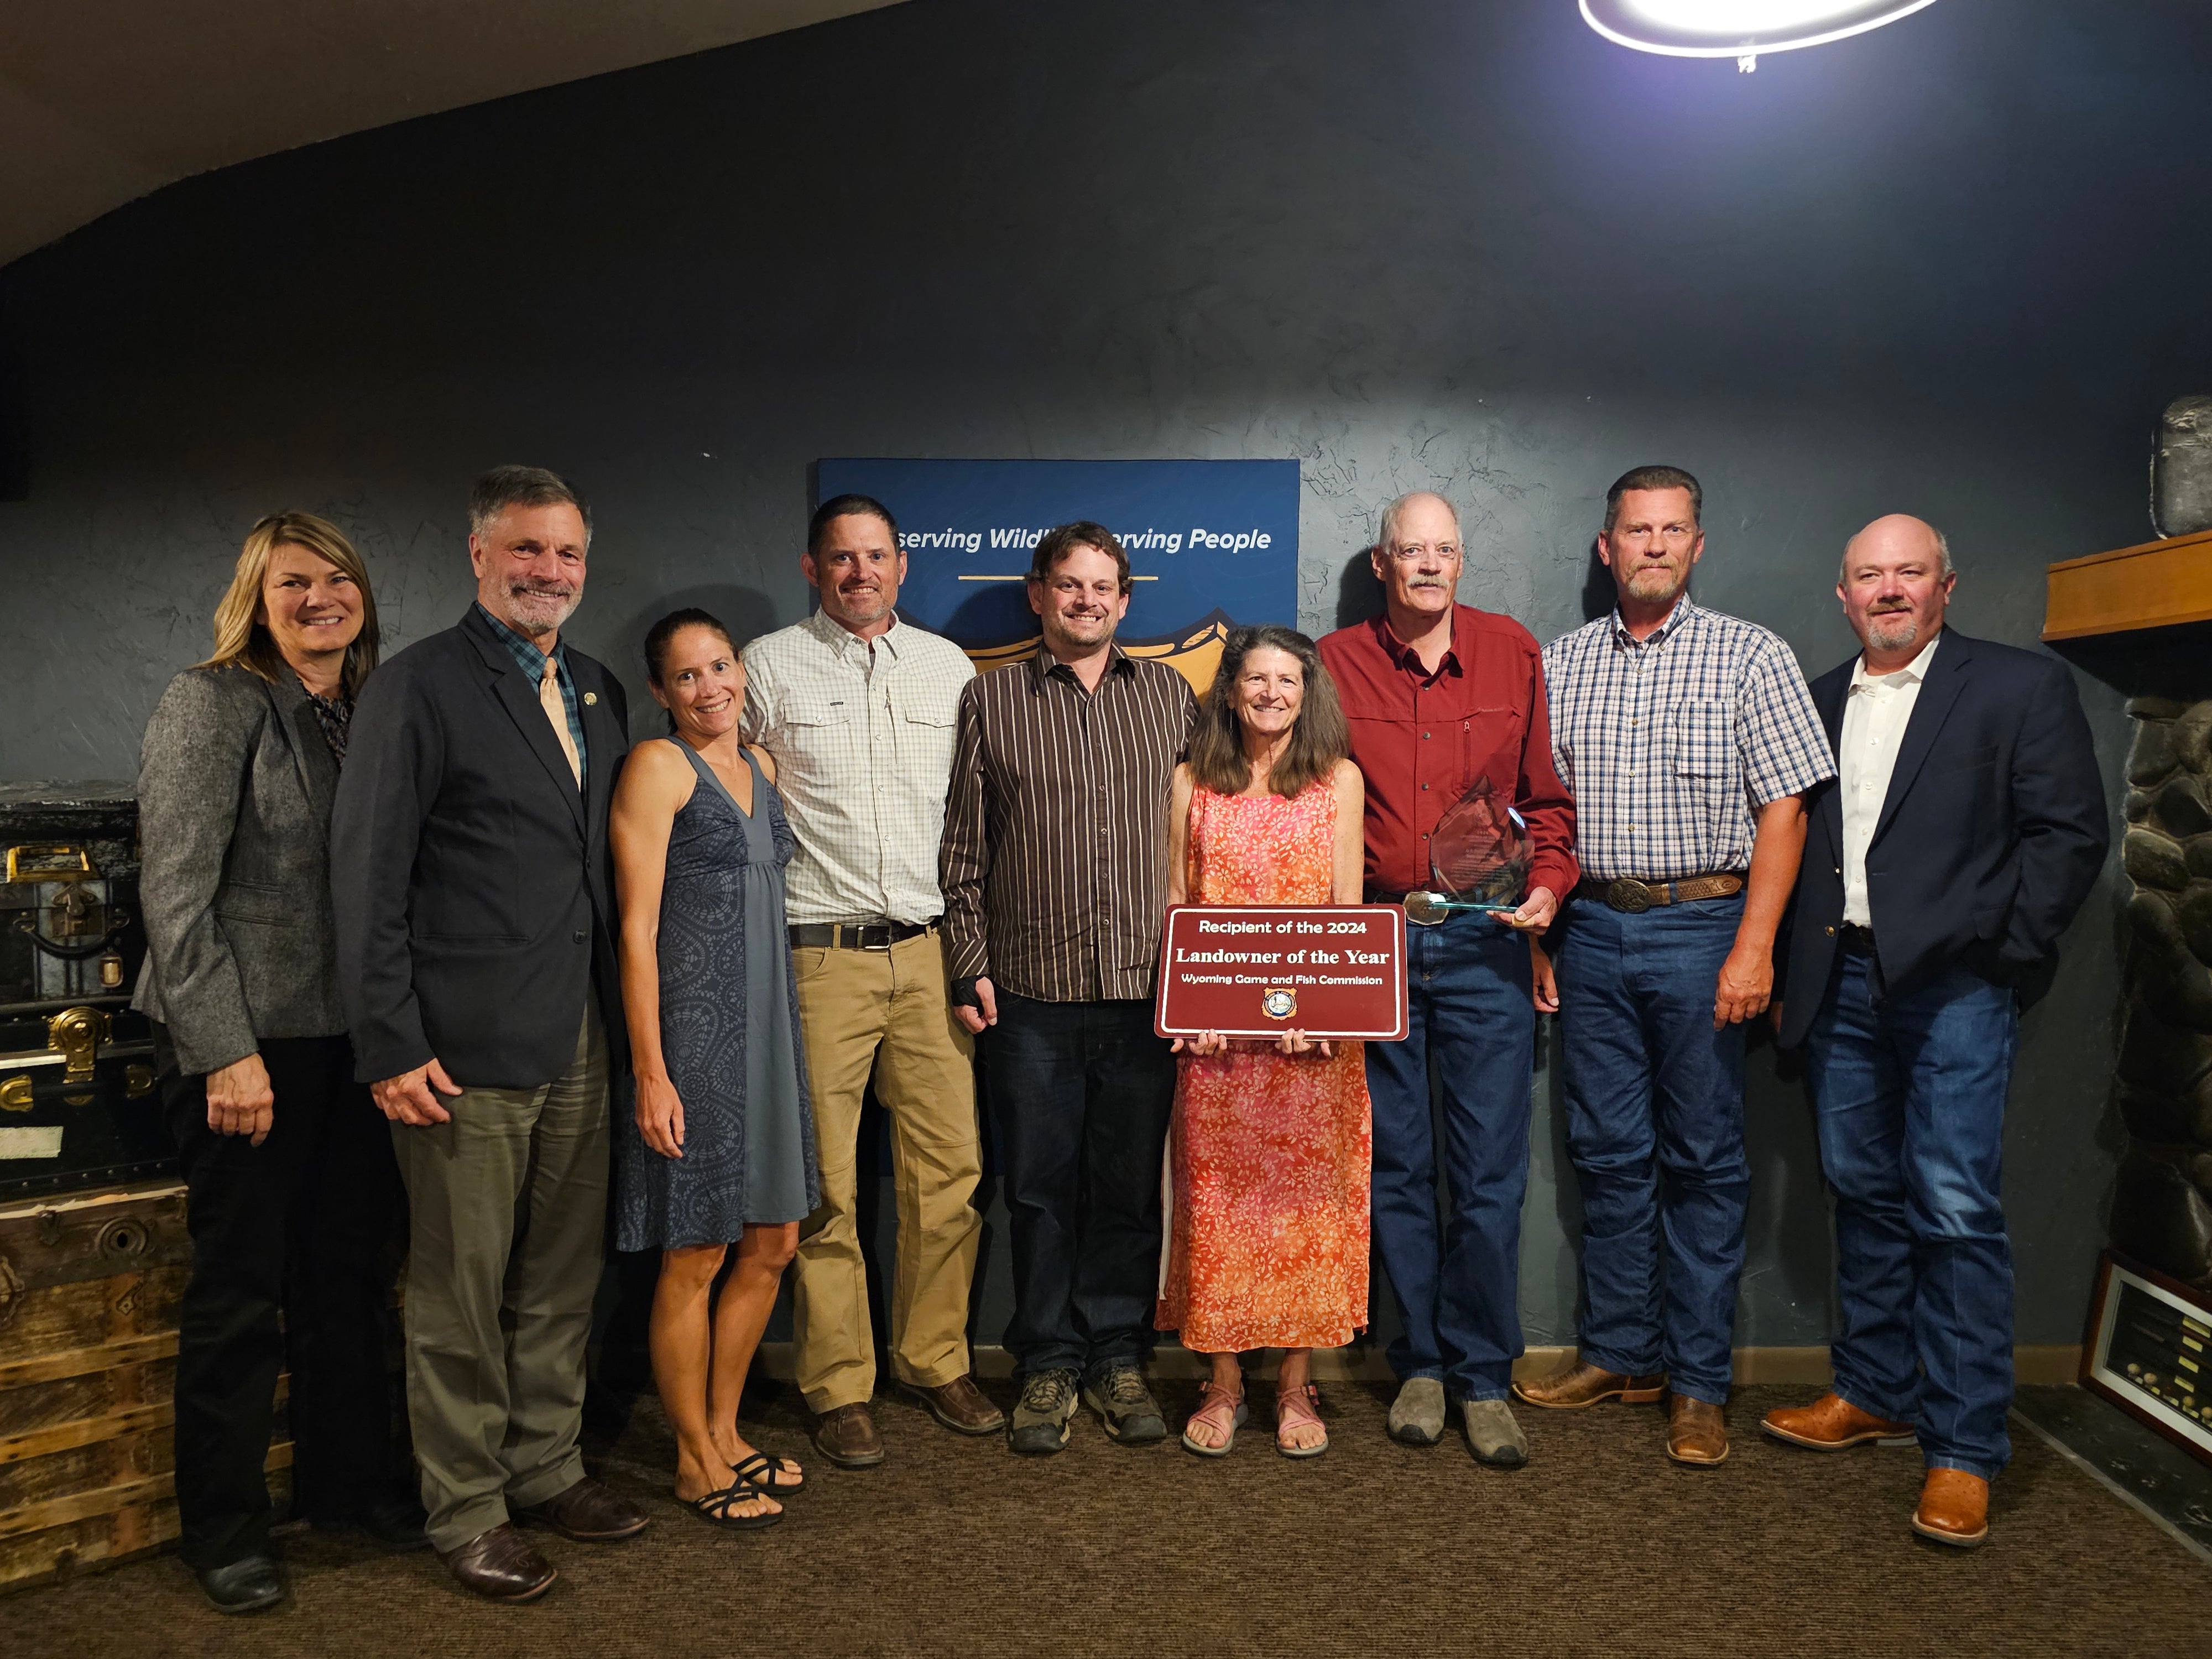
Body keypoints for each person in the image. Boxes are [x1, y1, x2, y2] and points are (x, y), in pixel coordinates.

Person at [331, 466, 646, 1603]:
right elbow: (367, 879)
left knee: (562, 1278)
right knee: (459, 1291)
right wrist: (388, 1043)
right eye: (525, 551)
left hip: (580, 1036)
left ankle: (546, 1466)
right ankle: (464, 1509)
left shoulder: (601, 688)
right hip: (455, 1049)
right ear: (477, 555)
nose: (547, 572)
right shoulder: (418, 687)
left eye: (565, 554)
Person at [1762, 515, 2105, 1546]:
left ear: (1947, 584)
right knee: (1860, 1192)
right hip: (1842, 985)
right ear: (1844, 595)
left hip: (1956, 988)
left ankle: (1963, 1450)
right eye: (1870, 575)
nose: (1890, 590)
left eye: (1909, 572)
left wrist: (2001, 953)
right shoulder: (1816, 699)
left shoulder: (2017, 688)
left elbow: (2071, 834)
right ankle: (1873, 1391)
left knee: (1954, 1208)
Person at [1520, 465, 1833, 1467]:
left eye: (1672, 531)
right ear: (1606, 548)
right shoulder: (1560, 662)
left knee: (1703, 1160)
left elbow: (1786, 810)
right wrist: (1543, 934)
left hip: (1707, 927)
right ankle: (1623, 1353)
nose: (1653, 546)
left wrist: (1754, 947)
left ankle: (1698, 1384)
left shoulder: (1752, 656)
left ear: (1699, 546)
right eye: (1635, 531)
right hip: (1592, 931)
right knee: (1607, 1153)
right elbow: (1543, 815)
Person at [134, 512, 415, 1614]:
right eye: (293, 582)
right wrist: (224, 1052)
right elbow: (174, 894)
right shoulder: (209, 702)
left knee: (349, 1279)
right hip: (245, 1052)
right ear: (257, 595)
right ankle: (226, 1527)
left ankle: (353, 1490)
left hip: (351, 1048)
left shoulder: (364, 709)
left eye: (337, 578)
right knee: (241, 1297)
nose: (319, 599)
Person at [1316, 491, 1576, 1468]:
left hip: (1485, 944)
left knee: (1489, 1172)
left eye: (1444, 550)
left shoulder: (1514, 652)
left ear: (1463, 561)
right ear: (1382, 565)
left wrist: (1548, 896)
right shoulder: (1333, 664)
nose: (1427, 565)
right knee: (1396, 1166)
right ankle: (1419, 1362)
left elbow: (1547, 804)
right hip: (1375, 940)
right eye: (1408, 551)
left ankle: (1480, 1372)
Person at [740, 494, 998, 1469]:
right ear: (812, 569)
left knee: (950, 1172)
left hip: (931, 951)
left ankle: (935, 1360)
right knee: (829, 1186)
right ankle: (839, 1384)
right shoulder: (765, 666)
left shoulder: (946, 666)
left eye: (876, 556)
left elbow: (972, 817)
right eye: (841, 558)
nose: (861, 572)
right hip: (821, 954)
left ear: (903, 565)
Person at [941, 521, 1198, 1456]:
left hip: (1145, 989)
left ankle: (1119, 1354)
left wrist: (1208, 978)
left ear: (1125, 602)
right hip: (1030, 993)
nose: (1086, 600)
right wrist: (967, 960)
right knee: (1041, 1190)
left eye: (1104, 587)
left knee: (1127, 1188)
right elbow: (963, 851)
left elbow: (1204, 839)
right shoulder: (993, 701)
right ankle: (1048, 1360)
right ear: (1038, 596)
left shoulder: (1171, 695)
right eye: (1069, 584)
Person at [612, 610, 819, 1529]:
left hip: (771, 1029)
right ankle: (693, 1460)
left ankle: (728, 1433)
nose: (710, 689)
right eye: (687, 677)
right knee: (696, 1250)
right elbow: (635, 928)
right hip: (694, 1039)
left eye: (720, 667)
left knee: (773, 1242)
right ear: (662, 692)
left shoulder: (763, 770)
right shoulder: (657, 768)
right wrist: (651, 1072)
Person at [1156, 627, 1370, 1458]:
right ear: (1231, 690)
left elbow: (1346, 909)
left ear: (1307, 691)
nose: (1272, 693)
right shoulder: (1190, 782)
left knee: (1305, 1215)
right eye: (1257, 679)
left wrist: (1328, 1006)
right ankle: (1222, 1382)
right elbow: (1179, 905)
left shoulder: (1338, 780)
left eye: (1287, 680)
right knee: (1219, 1211)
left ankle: (1293, 1386)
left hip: (1312, 1048)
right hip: (1217, 1049)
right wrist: (1189, 1001)